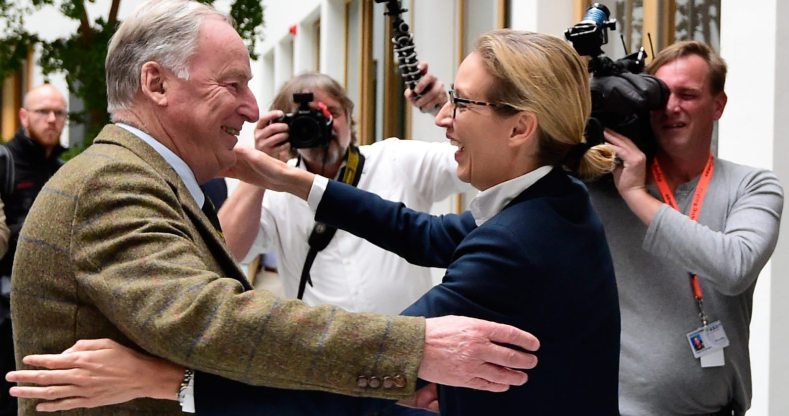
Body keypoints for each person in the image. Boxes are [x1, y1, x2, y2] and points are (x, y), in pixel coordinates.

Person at [8, 30, 622, 415]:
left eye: (461, 103)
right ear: (155, 83)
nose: (443, 119)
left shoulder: (523, 237)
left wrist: (166, 380)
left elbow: (335, 377)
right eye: (234, 84)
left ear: (521, 127)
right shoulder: (553, 203)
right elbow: (426, 235)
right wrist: (291, 180)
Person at [593, 40, 784, 415]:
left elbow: (734, 268)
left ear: (718, 105)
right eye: (660, 95)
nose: (670, 107)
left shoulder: (752, 185)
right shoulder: (603, 184)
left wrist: (637, 195)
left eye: (688, 95)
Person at [219, 71, 465, 315]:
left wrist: (446, 110)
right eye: (307, 118)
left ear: (349, 116)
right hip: (323, 350)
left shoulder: (396, 160)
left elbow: (474, 165)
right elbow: (223, 252)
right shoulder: (276, 188)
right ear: (285, 127)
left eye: (330, 113)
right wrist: (259, 169)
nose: (322, 125)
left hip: (409, 342)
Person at [0, 83, 67, 416]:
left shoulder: (62, 169)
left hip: (49, 311)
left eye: (59, 113)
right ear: (24, 115)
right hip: (4, 315)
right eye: (43, 111)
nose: (52, 119)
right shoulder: (5, 162)